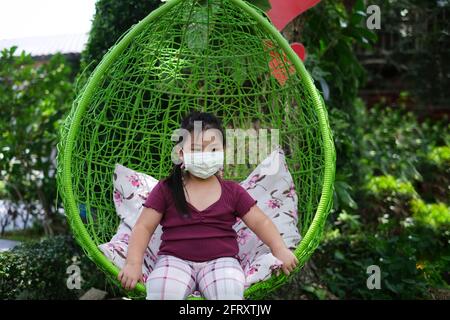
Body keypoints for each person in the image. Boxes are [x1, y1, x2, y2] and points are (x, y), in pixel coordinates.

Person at [118, 110, 298, 299]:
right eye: (196, 149)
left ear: (223, 153)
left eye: (213, 150)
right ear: (180, 153)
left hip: (222, 262)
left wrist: (279, 249)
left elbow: (261, 222)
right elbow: (143, 227)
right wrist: (133, 263)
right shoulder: (167, 189)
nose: (205, 155)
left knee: (228, 292)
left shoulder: (232, 191)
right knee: (162, 290)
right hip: (174, 260)